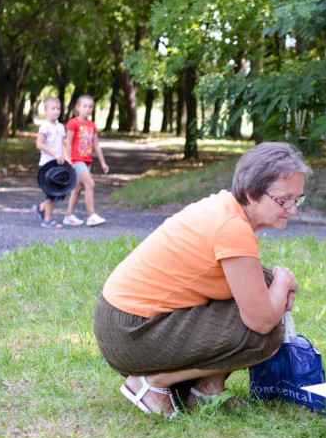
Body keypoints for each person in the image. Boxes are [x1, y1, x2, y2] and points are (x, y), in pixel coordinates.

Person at [94, 142, 309, 418]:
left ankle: (207, 389)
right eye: (284, 200)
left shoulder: (225, 207)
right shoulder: (232, 228)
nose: (293, 210)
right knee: (266, 333)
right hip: (130, 333)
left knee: (263, 288)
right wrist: (282, 280)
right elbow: (262, 320)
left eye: (298, 199)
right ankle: (152, 383)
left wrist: (274, 284)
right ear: (251, 194)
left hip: (123, 321)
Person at [61, 95, 109, 227]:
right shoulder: (73, 123)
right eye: (85, 106)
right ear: (78, 107)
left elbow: (96, 146)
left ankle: (68, 216)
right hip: (76, 160)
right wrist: (69, 160)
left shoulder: (92, 125)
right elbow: (68, 144)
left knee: (77, 188)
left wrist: (103, 163)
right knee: (90, 184)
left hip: (87, 161)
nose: (88, 109)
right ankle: (91, 215)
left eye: (90, 107)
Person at [33, 97, 68, 228]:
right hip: (47, 165)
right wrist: (54, 154)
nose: (56, 111)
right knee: (51, 193)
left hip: (58, 165)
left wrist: (67, 160)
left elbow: (62, 145)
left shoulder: (60, 127)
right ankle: (47, 220)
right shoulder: (45, 126)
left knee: (57, 194)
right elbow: (39, 144)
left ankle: (41, 208)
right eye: (53, 108)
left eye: (58, 108)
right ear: (46, 111)